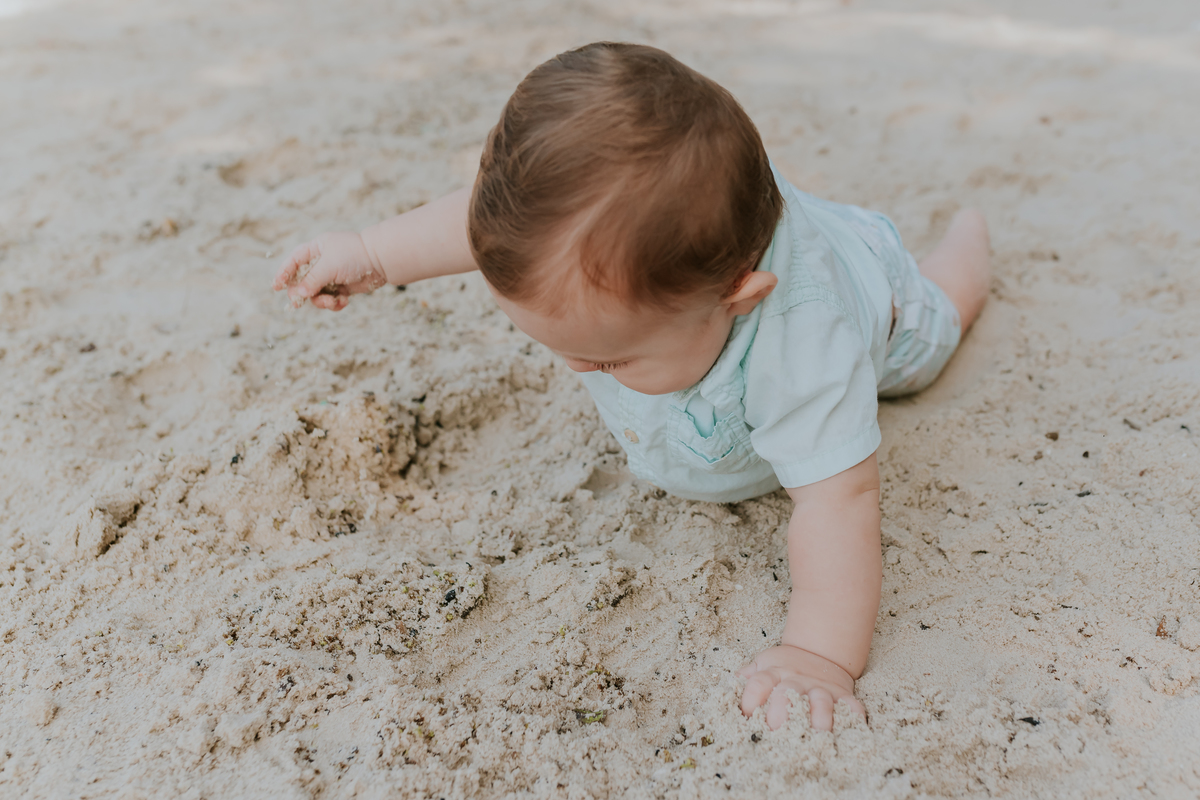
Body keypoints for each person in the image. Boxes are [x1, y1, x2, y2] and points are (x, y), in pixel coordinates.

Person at [272, 41, 991, 733]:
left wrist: (818, 655)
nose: (580, 370)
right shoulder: (569, 242)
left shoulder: (808, 347)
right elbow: (479, 223)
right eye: (561, 349)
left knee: (941, 318)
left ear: (738, 299)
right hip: (712, 249)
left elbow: (840, 503)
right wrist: (371, 254)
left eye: (610, 361)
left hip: (885, 301)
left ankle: (967, 246)